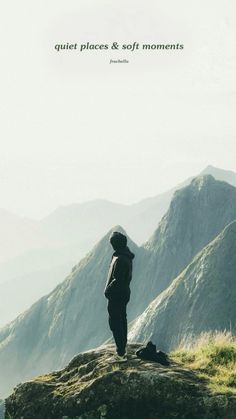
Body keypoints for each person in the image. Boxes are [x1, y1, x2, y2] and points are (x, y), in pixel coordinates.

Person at [104, 231, 135, 362]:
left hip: (117, 295)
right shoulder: (124, 255)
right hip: (123, 293)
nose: (111, 245)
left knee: (116, 322)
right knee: (121, 320)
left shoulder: (121, 259)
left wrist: (108, 291)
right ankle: (122, 348)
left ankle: (120, 353)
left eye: (112, 243)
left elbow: (118, 280)